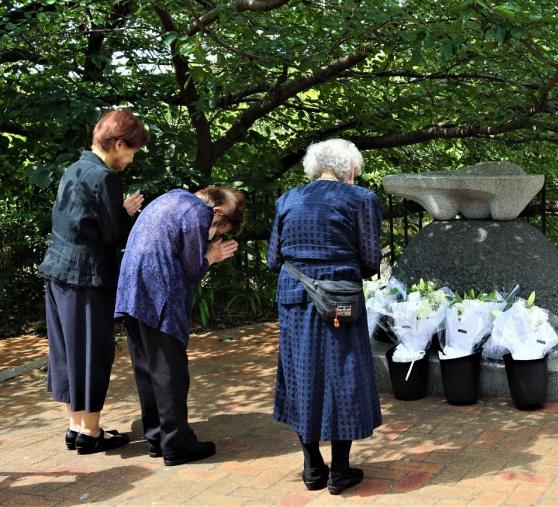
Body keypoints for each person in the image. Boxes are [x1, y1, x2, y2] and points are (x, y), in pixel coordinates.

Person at [268, 138, 382, 495]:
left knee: (302, 375)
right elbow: (371, 259)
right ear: (350, 170)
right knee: (342, 373)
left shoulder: (287, 199)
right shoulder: (361, 199)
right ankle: (341, 470)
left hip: (294, 299)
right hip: (338, 300)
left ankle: (312, 466)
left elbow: (274, 259)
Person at [38, 109, 147, 454]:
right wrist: (125, 212)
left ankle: (77, 425)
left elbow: (79, 222)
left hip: (58, 271)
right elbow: (113, 235)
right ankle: (91, 433)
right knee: (91, 350)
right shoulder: (104, 177)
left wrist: (115, 211)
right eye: (131, 151)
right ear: (117, 144)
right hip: (86, 277)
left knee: (68, 350)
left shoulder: (74, 168)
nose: (131, 159)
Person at [114, 186, 244, 466]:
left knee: (147, 369)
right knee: (169, 371)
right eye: (221, 230)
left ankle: (157, 438)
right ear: (218, 212)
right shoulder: (198, 212)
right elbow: (192, 269)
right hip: (159, 295)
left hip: (130, 291)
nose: (216, 235)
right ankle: (177, 445)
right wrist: (211, 255)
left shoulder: (171, 197)